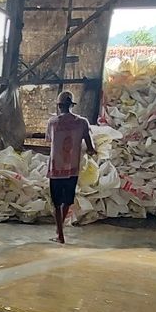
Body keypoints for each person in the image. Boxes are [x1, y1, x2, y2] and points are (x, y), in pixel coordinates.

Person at [45, 90, 96, 244]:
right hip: (72, 168)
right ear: (72, 105)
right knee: (67, 201)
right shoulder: (82, 122)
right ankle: (59, 231)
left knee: (56, 203)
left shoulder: (52, 122)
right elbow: (90, 146)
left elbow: (50, 141)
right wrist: (92, 151)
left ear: (59, 105)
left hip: (55, 169)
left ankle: (59, 235)